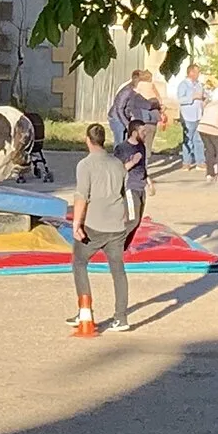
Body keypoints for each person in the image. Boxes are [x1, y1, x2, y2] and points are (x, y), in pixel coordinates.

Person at [67, 124, 134, 332]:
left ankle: (85, 312)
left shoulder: (85, 165)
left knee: (79, 263)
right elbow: (125, 193)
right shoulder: (118, 164)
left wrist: (76, 223)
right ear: (103, 140)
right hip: (116, 225)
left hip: (94, 225)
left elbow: (81, 197)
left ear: (88, 140)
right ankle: (121, 318)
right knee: (118, 270)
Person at [170, 62, 207, 172]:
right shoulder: (183, 84)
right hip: (188, 116)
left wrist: (204, 99)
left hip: (198, 115)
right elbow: (180, 99)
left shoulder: (199, 84)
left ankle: (200, 162)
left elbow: (203, 96)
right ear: (191, 72)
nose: (198, 74)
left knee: (199, 140)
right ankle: (186, 162)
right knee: (188, 139)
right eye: (196, 72)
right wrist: (193, 97)